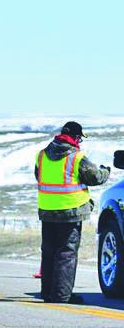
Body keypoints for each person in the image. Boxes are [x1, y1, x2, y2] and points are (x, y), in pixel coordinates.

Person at [35, 121, 110, 303]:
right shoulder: (77, 157)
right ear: (76, 138)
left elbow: (39, 176)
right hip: (71, 212)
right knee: (66, 253)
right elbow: (95, 177)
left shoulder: (42, 155)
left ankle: (48, 293)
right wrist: (105, 170)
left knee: (49, 252)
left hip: (47, 211)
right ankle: (61, 295)